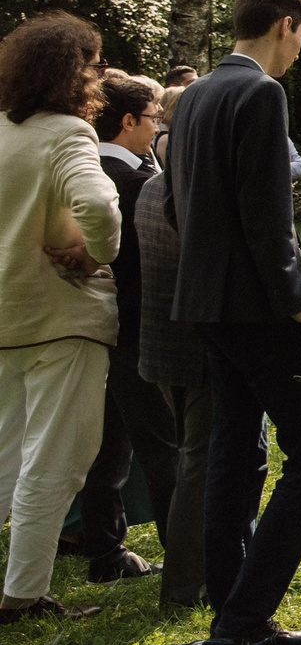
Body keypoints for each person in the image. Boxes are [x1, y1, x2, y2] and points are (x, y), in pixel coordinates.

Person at [170, 0, 301, 645]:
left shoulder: (194, 95)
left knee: (234, 453)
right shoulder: (261, 92)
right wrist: (297, 301)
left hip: (206, 303)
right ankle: (246, 616)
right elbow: (267, 213)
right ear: (283, 25)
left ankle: (232, 608)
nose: (300, 50)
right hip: (260, 310)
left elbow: (176, 204)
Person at [0, 13, 120, 625]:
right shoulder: (68, 133)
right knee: (56, 462)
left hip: (5, 315)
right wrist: (98, 254)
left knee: (5, 456)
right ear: (73, 73)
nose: (100, 75)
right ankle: (22, 595)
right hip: (61, 315)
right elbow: (98, 204)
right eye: (95, 65)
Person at [72, 73, 175, 586]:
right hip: (137, 326)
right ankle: (184, 557)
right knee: (163, 446)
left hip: (90, 326)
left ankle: (104, 548)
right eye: (153, 118)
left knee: (108, 444)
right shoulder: (133, 185)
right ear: (129, 121)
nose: (157, 128)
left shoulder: (83, 173)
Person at [134, 97, 214, 611]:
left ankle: (203, 572)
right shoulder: (193, 191)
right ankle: (186, 587)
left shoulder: (153, 185)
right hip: (196, 346)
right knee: (201, 466)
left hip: (162, 347)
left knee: (195, 460)